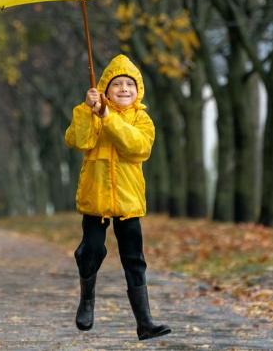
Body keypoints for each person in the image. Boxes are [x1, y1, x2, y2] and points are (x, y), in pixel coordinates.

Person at [64, 54, 170, 341]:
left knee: (134, 258)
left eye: (130, 85)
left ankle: (144, 322)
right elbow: (79, 140)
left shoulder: (142, 119)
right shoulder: (89, 112)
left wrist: (108, 118)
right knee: (92, 251)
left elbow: (137, 148)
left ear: (139, 91)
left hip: (128, 200)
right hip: (96, 197)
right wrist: (88, 112)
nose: (124, 89)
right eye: (117, 84)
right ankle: (87, 301)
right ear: (104, 89)